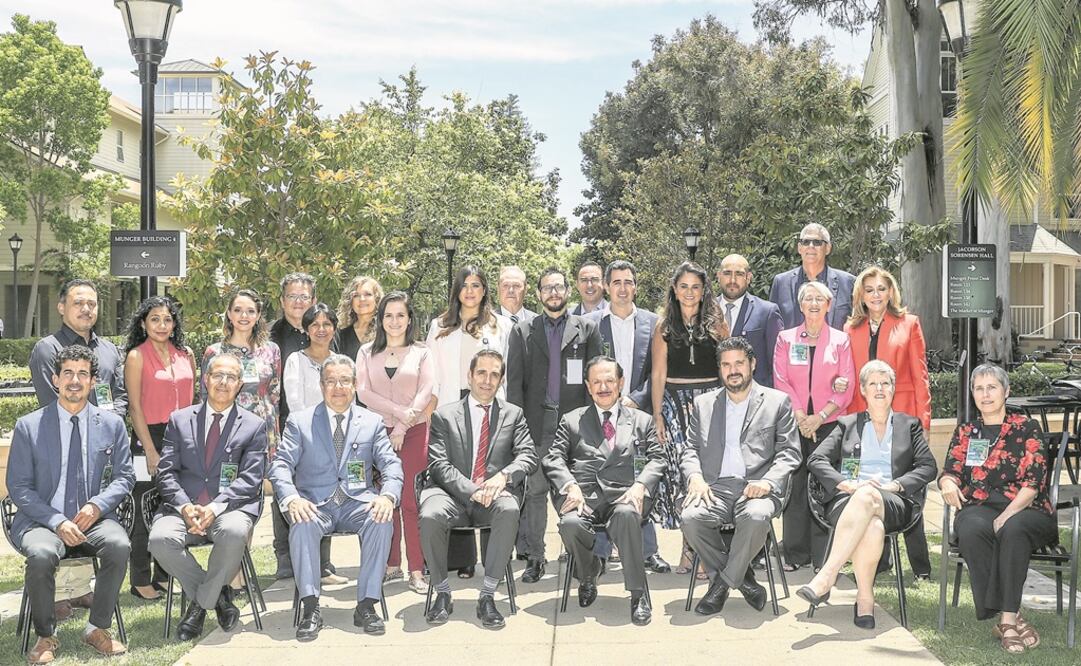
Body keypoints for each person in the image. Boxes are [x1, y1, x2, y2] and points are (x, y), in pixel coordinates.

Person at [7, 346, 135, 663]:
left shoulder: (112, 425)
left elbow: (125, 476)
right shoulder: (29, 426)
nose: (75, 381)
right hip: (42, 520)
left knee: (119, 544)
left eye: (82, 374)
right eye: (68, 373)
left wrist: (96, 506)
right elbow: (18, 487)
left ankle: (97, 628)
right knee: (40, 553)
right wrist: (56, 521)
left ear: (93, 381)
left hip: (95, 517)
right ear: (55, 379)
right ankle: (45, 637)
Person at [269, 354, 403, 641]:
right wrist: (292, 498)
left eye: (344, 380)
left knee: (381, 520)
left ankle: (366, 605)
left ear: (355, 385)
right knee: (302, 523)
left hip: (357, 502)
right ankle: (310, 607)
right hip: (315, 505)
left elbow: (391, 465)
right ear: (321, 385)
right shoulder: (300, 421)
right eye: (330, 381)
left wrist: (388, 497)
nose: (337, 387)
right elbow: (280, 465)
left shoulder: (372, 422)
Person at [801, 360, 937, 628]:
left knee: (868, 496)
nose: (879, 389)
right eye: (872, 383)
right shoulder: (847, 424)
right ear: (862, 390)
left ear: (893, 389)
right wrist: (844, 483)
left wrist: (896, 486)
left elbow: (929, 467)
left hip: (893, 501)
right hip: (848, 500)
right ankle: (865, 600)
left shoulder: (909, 426)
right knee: (872, 525)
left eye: (885, 383)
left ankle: (827, 575)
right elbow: (816, 460)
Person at [149, 352, 268, 640]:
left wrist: (214, 508)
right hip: (182, 508)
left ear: (240, 384)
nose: (224, 382)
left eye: (231, 377)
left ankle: (199, 607)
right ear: (205, 380)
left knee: (235, 532)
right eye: (218, 375)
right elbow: (165, 472)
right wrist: (184, 507)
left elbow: (250, 479)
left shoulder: (253, 425)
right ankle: (219, 599)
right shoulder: (179, 420)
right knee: (159, 540)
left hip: (229, 509)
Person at [939, 364, 1056, 654]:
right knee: (970, 527)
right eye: (979, 388)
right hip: (979, 505)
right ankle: (1013, 617)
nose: (985, 394)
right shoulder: (966, 431)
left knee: (1013, 528)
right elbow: (951, 469)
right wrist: (946, 483)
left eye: (992, 387)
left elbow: (1034, 481)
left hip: (1027, 508)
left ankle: (1004, 618)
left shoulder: (1026, 427)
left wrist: (1005, 515)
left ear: (1006, 391)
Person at [679, 336, 800, 616]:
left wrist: (768, 482)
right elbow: (690, 449)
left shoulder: (777, 401)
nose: (733, 370)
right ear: (720, 369)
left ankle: (720, 584)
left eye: (739, 363)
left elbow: (789, 453)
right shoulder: (704, 403)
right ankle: (744, 580)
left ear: (752, 364)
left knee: (757, 517)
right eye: (726, 365)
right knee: (691, 517)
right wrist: (694, 476)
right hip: (714, 487)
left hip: (757, 486)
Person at [28, 279, 126, 619]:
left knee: (90, 506)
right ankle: (59, 592)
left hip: (100, 446)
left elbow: (120, 394)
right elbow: (49, 403)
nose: (86, 309)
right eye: (78, 302)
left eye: (92, 303)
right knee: (64, 505)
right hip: (59, 447)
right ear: (61, 307)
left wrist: (108, 421)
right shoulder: (47, 348)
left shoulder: (109, 349)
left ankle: (80, 588)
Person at [419, 349, 538, 629]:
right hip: (451, 493)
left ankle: (487, 595)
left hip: (494, 494)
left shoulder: (514, 415)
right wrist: (472, 489)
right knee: (429, 514)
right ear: (470, 376)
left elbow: (528, 456)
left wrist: (503, 477)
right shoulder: (444, 416)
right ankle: (443, 593)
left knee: (509, 509)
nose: (487, 380)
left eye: (494, 374)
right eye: (481, 373)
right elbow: (438, 465)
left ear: (501, 380)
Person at [543, 356, 666, 625]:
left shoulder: (642, 421)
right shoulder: (572, 420)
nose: (603, 387)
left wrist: (640, 486)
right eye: (596, 381)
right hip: (584, 498)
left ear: (621, 383)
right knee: (570, 524)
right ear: (588, 386)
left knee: (627, 515)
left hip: (624, 495)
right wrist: (569, 485)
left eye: (609, 380)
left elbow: (658, 458)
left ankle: (638, 593)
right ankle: (589, 573)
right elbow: (553, 458)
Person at [507, 266, 603, 583]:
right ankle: (535, 558)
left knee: (572, 493)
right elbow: (514, 388)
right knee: (534, 496)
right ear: (538, 294)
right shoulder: (523, 331)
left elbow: (596, 383)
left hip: (574, 428)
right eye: (547, 288)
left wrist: (593, 430)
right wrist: (516, 434)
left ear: (567, 291)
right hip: (535, 426)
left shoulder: (588, 329)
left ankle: (576, 555)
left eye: (559, 287)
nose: (553, 293)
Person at [844, 266, 933, 579]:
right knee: (872, 483)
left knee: (908, 489)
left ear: (891, 292)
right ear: (861, 296)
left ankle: (920, 566)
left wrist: (923, 421)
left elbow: (920, 376)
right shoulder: (851, 328)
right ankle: (878, 561)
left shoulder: (909, 324)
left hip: (903, 414)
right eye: (869, 290)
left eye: (881, 288)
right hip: (865, 417)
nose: (876, 295)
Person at [586, 260, 667, 573]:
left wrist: (635, 398)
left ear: (636, 286)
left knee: (641, 478)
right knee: (603, 478)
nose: (622, 288)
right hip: (601, 412)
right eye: (616, 282)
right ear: (607, 286)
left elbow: (657, 371)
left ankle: (648, 551)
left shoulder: (652, 322)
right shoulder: (590, 322)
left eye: (628, 282)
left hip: (637, 412)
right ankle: (602, 551)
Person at [649, 261, 728, 576]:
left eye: (696, 286)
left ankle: (705, 549)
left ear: (704, 290)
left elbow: (728, 367)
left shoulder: (717, 322)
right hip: (675, 405)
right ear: (674, 289)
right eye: (684, 286)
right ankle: (687, 549)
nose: (690, 292)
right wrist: (657, 415)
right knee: (684, 476)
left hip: (710, 404)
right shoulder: (663, 326)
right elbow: (657, 374)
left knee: (708, 476)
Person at [201, 290, 285, 580]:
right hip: (228, 433)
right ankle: (230, 573)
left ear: (258, 315)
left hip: (262, 432)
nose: (244, 316)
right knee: (230, 497)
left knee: (253, 499)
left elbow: (275, 393)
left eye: (250, 311)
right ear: (229, 313)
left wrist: (274, 433)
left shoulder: (271, 350)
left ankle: (240, 570)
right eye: (238, 310)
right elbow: (205, 396)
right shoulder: (215, 352)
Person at [357, 292, 436, 594]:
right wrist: (397, 416)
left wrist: (403, 424)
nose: (394, 321)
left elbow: (425, 392)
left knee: (410, 502)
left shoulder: (422, 352)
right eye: (388, 315)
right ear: (380, 320)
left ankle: (417, 569)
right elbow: (363, 393)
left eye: (400, 315)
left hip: (414, 433)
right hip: (376, 434)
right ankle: (391, 565)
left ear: (409, 319)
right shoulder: (366, 353)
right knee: (384, 502)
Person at [773, 280, 855, 571]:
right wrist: (800, 417)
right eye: (808, 298)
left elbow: (846, 384)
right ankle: (795, 554)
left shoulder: (840, 340)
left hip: (828, 423)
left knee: (824, 486)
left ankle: (823, 556)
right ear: (800, 304)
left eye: (820, 299)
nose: (814, 304)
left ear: (829, 306)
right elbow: (781, 380)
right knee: (795, 486)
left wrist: (819, 416)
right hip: (795, 424)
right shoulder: (786, 338)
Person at [122, 296, 196, 602]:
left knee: (172, 506)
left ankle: (164, 576)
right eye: (155, 319)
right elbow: (135, 409)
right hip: (148, 435)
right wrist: (151, 451)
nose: (162, 325)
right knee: (143, 507)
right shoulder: (136, 357)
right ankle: (140, 579)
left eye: (167, 319)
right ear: (143, 323)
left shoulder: (186, 354)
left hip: (183, 435)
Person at [769, 223, 856, 330]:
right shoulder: (781, 282)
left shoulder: (848, 283)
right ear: (800, 248)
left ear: (828, 248)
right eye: (805, 242)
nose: (811, 246)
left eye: (817, 242)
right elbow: (773, 326)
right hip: (792, 346)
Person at [716, 254, 783, 388]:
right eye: (727, 273)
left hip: (755, 398)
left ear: (748, 278)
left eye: (739, 274)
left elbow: (778, 363)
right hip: (713, 398)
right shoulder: (705, 310)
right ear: (718, 276)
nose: (733, 279)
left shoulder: (767, 312)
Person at [336, 276, 384, 363]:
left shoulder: (386, 332)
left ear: (376, 299)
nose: (362, 299)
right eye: (356, 295)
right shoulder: (340, 336)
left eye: (368, 294)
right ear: (350, 301)